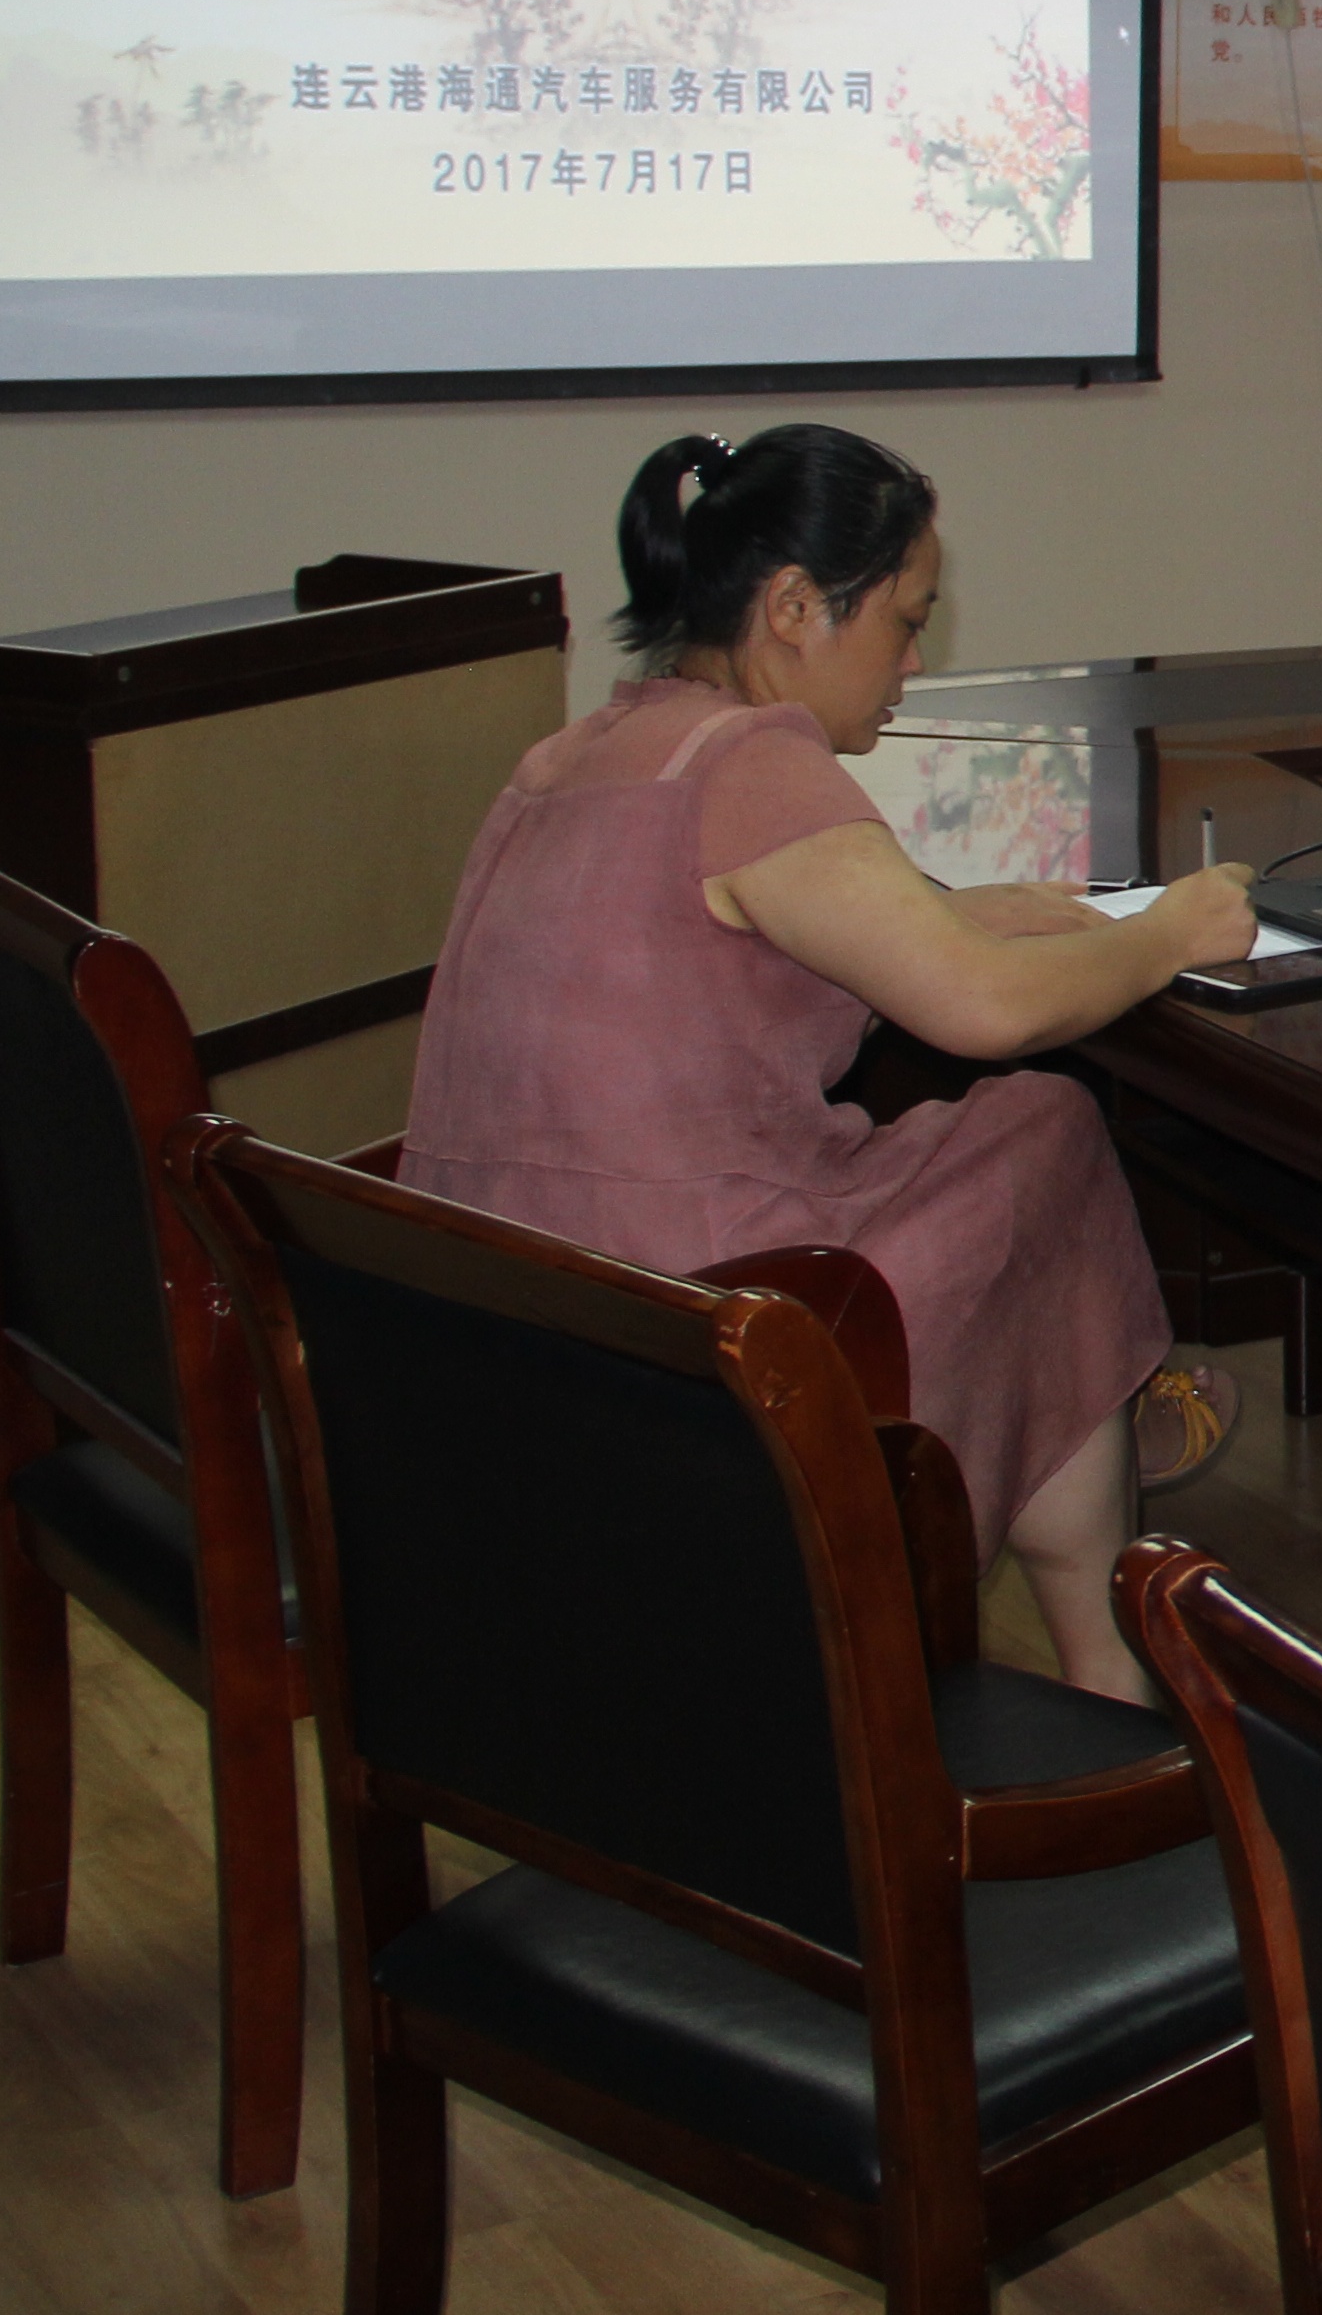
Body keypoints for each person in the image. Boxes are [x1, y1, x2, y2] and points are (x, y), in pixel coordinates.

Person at [401, 428, 1261, 1702]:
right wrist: (1169, 933)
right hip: (708, 1337)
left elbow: (765, 932)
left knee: (1014, 1190)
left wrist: (973, 912)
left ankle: (1105, 1467)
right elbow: (982, 1008)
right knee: (1044, 1132)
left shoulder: (574, 755)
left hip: (501, 1334)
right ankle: (1107, 1655)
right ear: (796, 606)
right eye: (906, 622)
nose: (915, 662)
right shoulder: (755, 760)